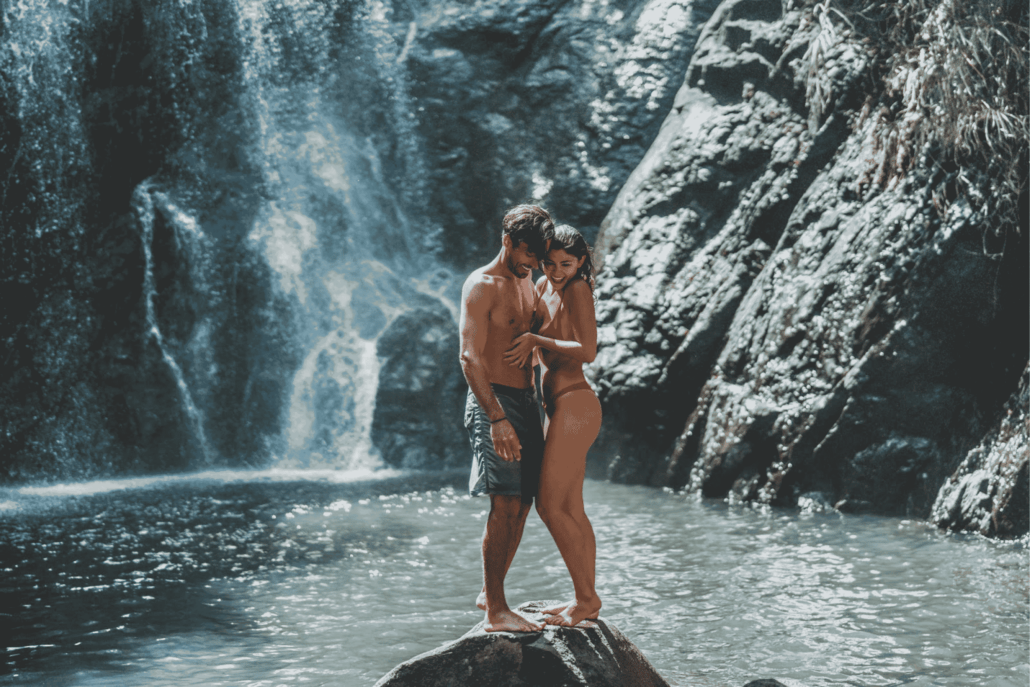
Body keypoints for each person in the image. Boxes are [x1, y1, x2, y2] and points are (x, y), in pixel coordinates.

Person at [459, 204, 554, 633]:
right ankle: (497, 610)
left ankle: (489, 591)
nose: (533, 265)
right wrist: (497, 419)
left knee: (527, 500)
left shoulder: (528, 281)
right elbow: (469, 357)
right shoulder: (482, 285)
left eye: (537, 258)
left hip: (525, 399)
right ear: (508, 240)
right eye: (527, 255)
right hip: (492, 401)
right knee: (505, 501)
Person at [503, 224, 602, 628]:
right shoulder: (543, 286)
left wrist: (536, 341)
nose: (557, 270)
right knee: (572, 509)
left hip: (577, 404)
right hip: (559, 408)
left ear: (581, 262)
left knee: (549, 505)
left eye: (567, 263)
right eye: (550, 262)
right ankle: (585, 599)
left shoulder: (578, 289)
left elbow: (589, 350)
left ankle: (586, 599)